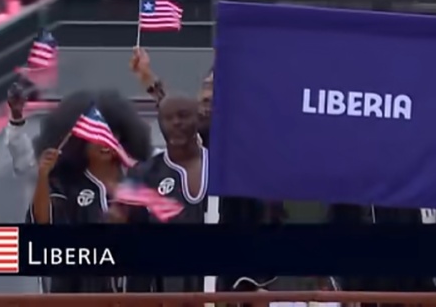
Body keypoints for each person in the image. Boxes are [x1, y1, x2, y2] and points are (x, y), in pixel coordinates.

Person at [129, 49, 280, 292]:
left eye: (216, 88)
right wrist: (148, 78)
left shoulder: (246, 144)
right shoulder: (187, 142)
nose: (208, 95)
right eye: (206, 86)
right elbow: (174, 111)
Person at [26, 89, 153, 293]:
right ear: (79, 141)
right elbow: (43, 224)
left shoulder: (138, 184)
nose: (106, 142)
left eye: (112, 133)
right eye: (96, 134)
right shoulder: (65, 185)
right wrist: (42, 176)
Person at [117, 95, 212, 292]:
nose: (176, 123)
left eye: (183, 116)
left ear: (198, 118)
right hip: (167, 288)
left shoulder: (222, 168)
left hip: (217, 286)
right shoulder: (143, 174)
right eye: (168, 118)